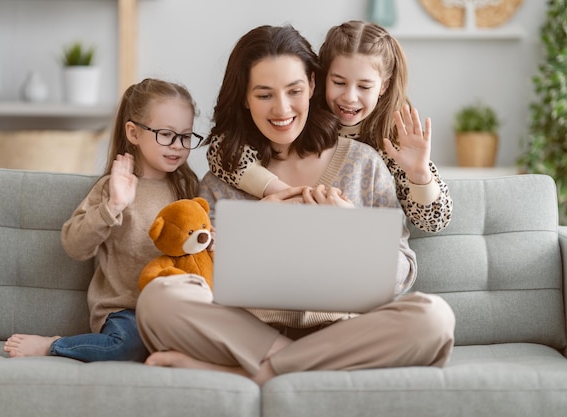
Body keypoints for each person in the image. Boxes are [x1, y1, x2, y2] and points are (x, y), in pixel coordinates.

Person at [135, 25, 455, 385]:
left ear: (312, 88)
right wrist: (256, 227)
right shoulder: (227, 173)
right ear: (245, 98)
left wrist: (352, 231)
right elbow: (196, 266)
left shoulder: (365, 163)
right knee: (158, 299)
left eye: (294, 91)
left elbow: (403, 274)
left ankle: (255, 372)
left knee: (434, 318)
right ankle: (288, 366)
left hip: (342, 333)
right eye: (264, 94)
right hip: (245, 331)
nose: (282, 108)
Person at [3, 78, 202, 362]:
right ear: (133, 133)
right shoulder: (112, 186)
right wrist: (114, 205)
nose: (177, 146)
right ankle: (54, 345)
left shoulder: (188, 189)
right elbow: (75, 245)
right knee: (124, 346)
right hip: (125, 311)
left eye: (186, 136)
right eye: (166, 135)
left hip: (174, 308)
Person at [205, 20, 452, 233]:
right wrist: (288, 194)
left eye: (364, 87)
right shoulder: (305, 118)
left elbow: (433, 222)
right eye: (339, 82)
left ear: (384, 86)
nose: (349, 97)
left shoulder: (392, 142)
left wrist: (419, 176)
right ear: (320, 80)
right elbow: (223, 152)